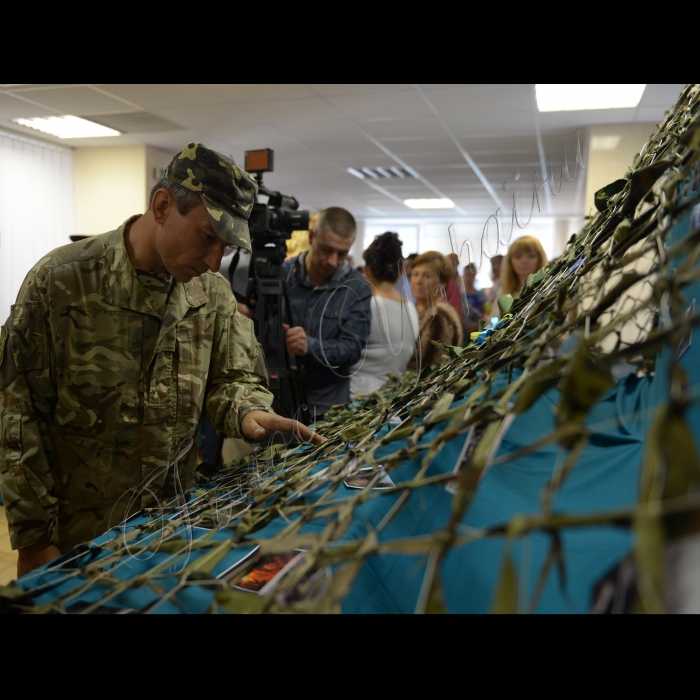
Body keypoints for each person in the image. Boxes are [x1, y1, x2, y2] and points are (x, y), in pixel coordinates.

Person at [0, 142, 323, 577]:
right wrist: (36, 538)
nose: (214, 262)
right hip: (76, 540)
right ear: (162, 205)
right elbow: (17, 414)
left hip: (171, 534)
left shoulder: (212, 296)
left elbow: (232, 377)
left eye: (225, 248)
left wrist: (249, 411)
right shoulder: (61, 282)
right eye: (208, 238)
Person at [275, 207, 372, 419]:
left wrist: (310, 345)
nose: (333, 261)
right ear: (311, 237)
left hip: (327, 409)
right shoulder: (281, 275)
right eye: (326, 250)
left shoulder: (357, 288)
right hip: (278, 401)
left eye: (342, 254)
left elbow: (352, 349)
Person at [349, 232, 419, 397]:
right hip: (393, 400)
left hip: (358, 400)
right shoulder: (411, 309)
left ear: (366, 271)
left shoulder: (366, 307)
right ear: (402, 270)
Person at [406, 251, 463, 371]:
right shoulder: (420, 309)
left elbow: (429, 369)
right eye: (415, 274)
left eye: (427, 276)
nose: (418, 281)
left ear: (442, 284)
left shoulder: (439, 315)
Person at [499, 236, 548, 300]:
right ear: (509, 261)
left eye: (531, 256)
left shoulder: (549, 290)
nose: (524, 261)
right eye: (518, 256)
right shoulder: (503, 290)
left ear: (540, 259)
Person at [462, 262, 487, 335]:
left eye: (472, 275)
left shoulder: (481, 294)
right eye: (467, 275)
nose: (469, 278)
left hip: (477, 331)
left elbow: (484, 313)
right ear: (463, 275)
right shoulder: (458, 296)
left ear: (475, 275)